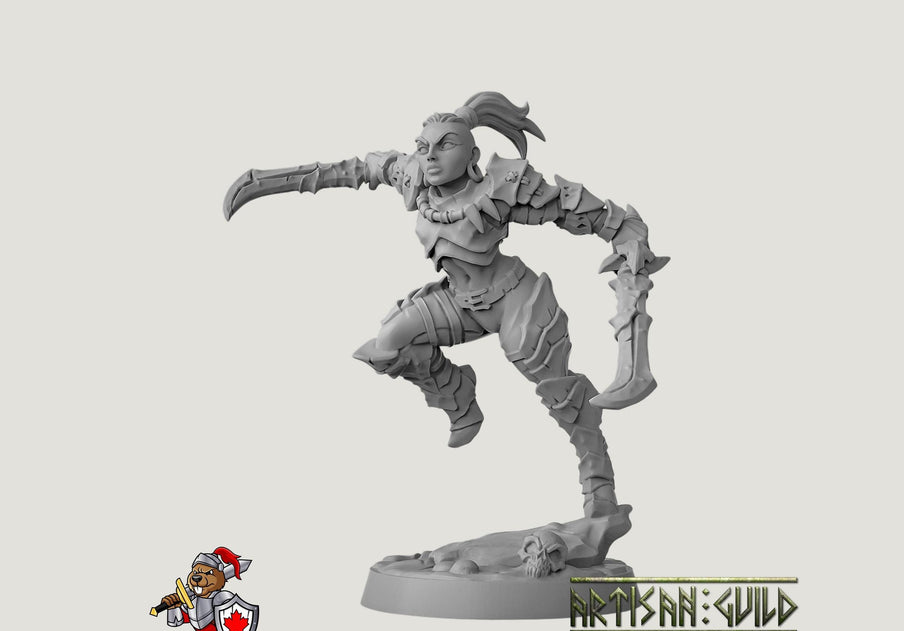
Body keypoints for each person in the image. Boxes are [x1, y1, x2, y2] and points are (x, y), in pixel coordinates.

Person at [224, 92, 665, 518]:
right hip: (459, 302)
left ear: (473, 156)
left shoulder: (505, 189)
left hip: (516, 299)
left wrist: (630, 257)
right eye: (423, 147)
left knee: (561, 395)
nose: (431, 156)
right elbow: (351, 170)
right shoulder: (413, 176)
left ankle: (597, 481)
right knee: (389, 342)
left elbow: (605, 220)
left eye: (445, 146)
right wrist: (267, 182)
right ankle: (457, 395)